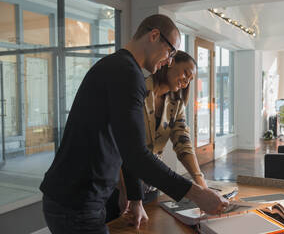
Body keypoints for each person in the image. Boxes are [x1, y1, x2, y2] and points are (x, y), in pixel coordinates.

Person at [40, 14, 228, 234]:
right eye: (170, 52)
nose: (169, 61)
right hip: (77, 201)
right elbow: (137, 154)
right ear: (154, 36)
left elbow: (126, 143)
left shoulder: (120, 67)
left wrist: (136, 198)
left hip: (77, 197)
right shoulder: (127, 74)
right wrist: (197, 194)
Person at [106, 51, 207, 223]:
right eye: (185, 73)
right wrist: (126, 190)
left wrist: (201, 184)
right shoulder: (138, 90)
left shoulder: (177, 105)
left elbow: (183, 144)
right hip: (120, 184)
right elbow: (121, 145)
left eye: (190, 79)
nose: (186, 81)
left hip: (151, 185)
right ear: (170, 63)